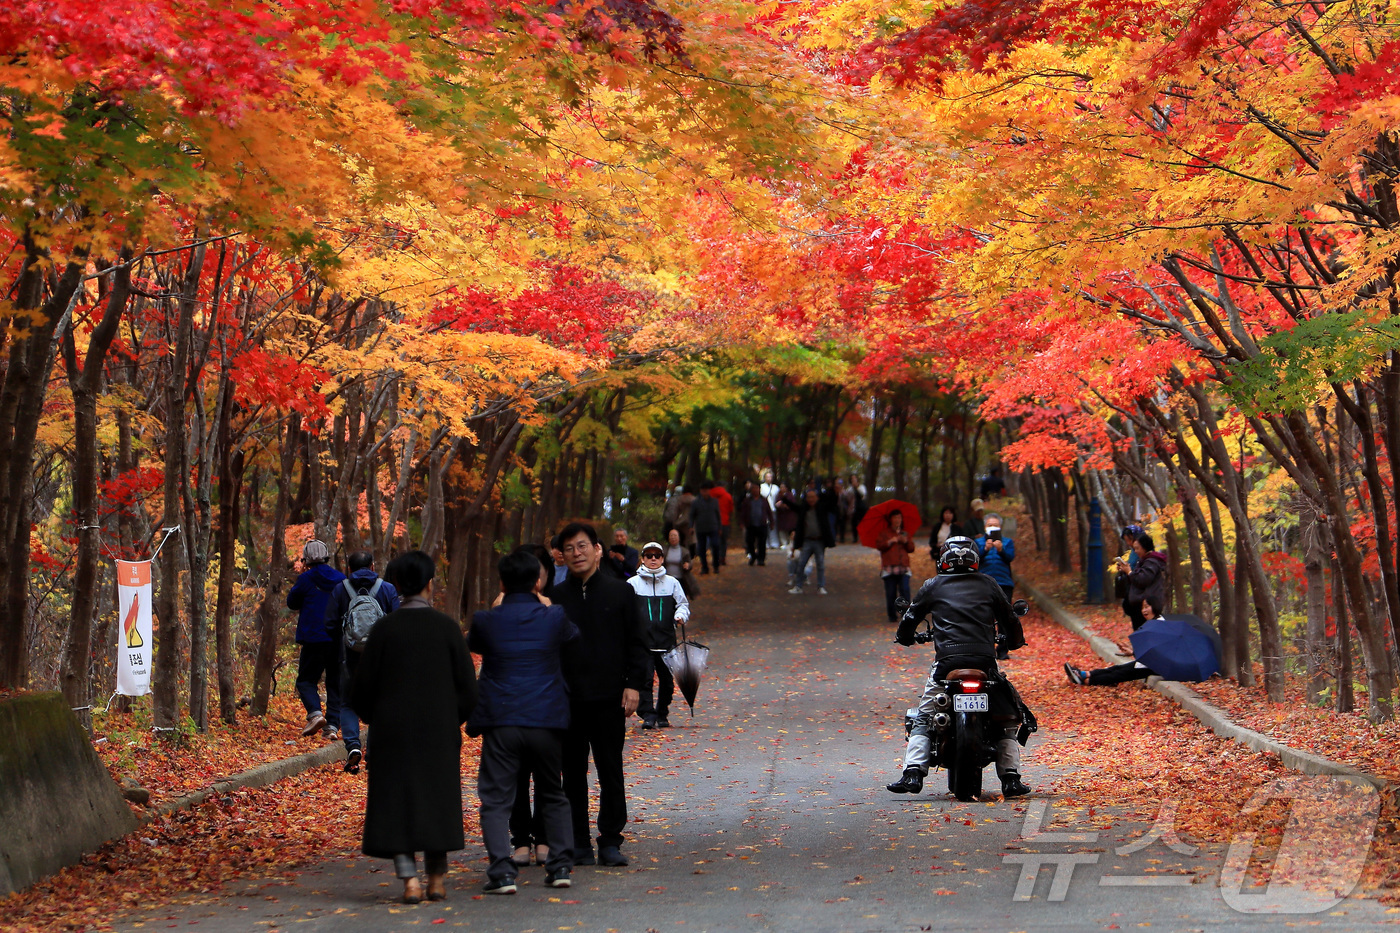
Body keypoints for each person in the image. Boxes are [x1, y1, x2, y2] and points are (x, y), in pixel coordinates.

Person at [350, 551, 478, 904]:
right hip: (438, 729)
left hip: (393, 731)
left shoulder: (383, 630)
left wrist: (376, 717)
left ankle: (409, 882)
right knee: (437, 801)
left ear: (397, 586)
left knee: (397, 804)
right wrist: (453, 717)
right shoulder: (447, 628)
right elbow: (468, 687)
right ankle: (436, 879)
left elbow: (361, 688)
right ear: (429, 583)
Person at [468, 550, 581, 894]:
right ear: (538, 581)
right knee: (553, 792)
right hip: (546, 717)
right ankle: (560, 865)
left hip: (502, 718)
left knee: (496, 797)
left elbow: (475, 644)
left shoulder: (486, 620)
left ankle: (502, 871)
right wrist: (546, 606)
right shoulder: (554, 615)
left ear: (501, 583)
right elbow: (573, 637)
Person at [886, 537, 1031, 799]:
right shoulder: (989, 584)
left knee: (924, 716)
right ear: (976, 560)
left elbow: (910, 617)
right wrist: (1015, 642)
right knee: (1004, 719)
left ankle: (913, 772)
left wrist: (906, 637)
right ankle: (1010, 778)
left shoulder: (933, 585)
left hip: (948, 663)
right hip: (984, 662)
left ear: (942, 560)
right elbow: (1010, 617)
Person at [551, 522, 651, 868]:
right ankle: (578, 842)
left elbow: (637, 643)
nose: (576, 553)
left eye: (582, 546)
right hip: (567, 700)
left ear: (597, 550)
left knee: (611, 770)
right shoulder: (555, 598)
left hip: (610, 697)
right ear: (561, 557)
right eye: (569, 549)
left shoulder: (620, 592)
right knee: (572, 773)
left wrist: (635, 684)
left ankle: (610, 839)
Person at [324, 550, 401, 774]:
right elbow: (396, 622)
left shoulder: (341, 589)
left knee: (348, 703)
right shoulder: (387, 589)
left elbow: (329, 624)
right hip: (380, 658)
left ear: (349, 568)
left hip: (349, 657)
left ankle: (353, 745)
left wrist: (342, 640)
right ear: (372, 566)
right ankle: (373, 751)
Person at [287, 540, 346, 740]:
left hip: (313, 637)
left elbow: (292, 602)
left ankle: (315, 714)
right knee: (334, 682)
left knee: (305, 680)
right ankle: (331, 727)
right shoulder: (341, 579)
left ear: (306, 559)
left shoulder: (305, 579)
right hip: (337, 638)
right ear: (326, 556)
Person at [629, 542, 691, 729]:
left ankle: (662, 713)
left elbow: (683, 604)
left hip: (666, 641)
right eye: (649, 555)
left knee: (667, 681)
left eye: (657, 555)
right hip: (643, 642)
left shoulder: (672, 582)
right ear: (643, 559)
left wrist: (680, 615)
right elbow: (624, 609)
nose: (653, 559)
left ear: (663, 559)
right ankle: (648, 715)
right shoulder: (632, 584)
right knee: (644, 680)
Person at [1065, 598, 1165, 685]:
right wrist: (1132, 651)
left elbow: (1154, 653)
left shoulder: (1159, 626)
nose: (1144, 610)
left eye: (1147, 607)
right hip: (1147, 663)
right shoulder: (1154, 623)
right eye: (1143, 607)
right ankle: (1084, 674)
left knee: (1120, 674)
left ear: (1155, 606)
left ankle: (1087, 680)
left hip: (1154, 666)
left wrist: (1133, 652)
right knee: (1117, 668)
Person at [789, 487, 835, 595]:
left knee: (820, 564)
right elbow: (794, 508)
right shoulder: (804, 510)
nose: (811, 499)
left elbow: (832, 503)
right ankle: (798, 586)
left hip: (819, 540)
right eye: (809, 497)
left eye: (813, 497)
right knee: (801, 563)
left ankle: (821, 586)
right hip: (807, 541)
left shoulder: (822, 508)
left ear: (817, 498)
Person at [1117, 533, 1168, 630]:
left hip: (1146, 605)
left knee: (1145, 633)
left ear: (1145, 548)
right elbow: (1136, 580)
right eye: (1134, 549)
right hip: (1138, 606)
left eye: (1137, 548)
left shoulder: (1151, 562)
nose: (1135, 551)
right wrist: (1126, 572)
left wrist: (1130, 572)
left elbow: (1142, 580)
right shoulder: (1143, 561)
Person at [878, 510, 916, 624]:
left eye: (899, 518)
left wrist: (905, 541)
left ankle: (906, 614)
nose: (897, 520)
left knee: (905, 589)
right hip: (889, 567)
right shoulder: (884, 533)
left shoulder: (905, 533)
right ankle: (892, 615)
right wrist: (891, 541)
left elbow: (911, 548)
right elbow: (880, 545)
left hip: (903, 566)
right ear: (891, 520)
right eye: (895, 518)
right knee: (891, 592)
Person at [975, 514, 1017, 603]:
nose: (992, 527)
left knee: (1004, 613)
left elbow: (1010, 557)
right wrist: (985, 549)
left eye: (995, 525)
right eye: (990, 525)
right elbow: (975, 559)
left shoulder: (1007, 542)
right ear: (985, 527)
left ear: (1000, 527)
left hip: (1004, 582)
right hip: (983, 584)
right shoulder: (978, 542)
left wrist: (1001, 550)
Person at [690, 482, 723, 575]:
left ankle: (716, 565)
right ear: (700, 491)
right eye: (703, 490)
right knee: (701, 548)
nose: (705, 492)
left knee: (715, 545)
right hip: (701, 528)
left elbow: (718, 515)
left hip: (713, 527)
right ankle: (705, 567)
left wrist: (720, 527)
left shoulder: (714, 501)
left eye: (707, 490)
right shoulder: (696, 502)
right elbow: (692, 515)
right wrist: (691, 526)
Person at [740, 483, 774, 566]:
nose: (755, 490)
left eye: (757, 488)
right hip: (750, 524)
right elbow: (743, 512)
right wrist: (742, 523)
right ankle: (753, 556)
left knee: (762, 543)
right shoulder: (747, 500)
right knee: (750, 542)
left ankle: (761, 559)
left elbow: (769, 512)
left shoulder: (764, 500)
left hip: (762, 524)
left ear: (759, 489)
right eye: (753, 488)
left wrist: (772, 522)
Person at [708, 483, 734, 567]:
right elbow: (730, 510)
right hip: (724, 522)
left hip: (712, 522)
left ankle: (715, 558)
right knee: (723, 541)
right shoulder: (728, 496)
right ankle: (722, 558)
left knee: (714, 541)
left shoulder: (709, 495)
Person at [774, 482, 799, 551]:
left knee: (789, 529)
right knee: (782, 530)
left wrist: (785, 505)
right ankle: (783, 543)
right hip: (781, 515)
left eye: (783, 487)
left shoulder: (790, 495)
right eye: (781, 487)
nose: (782, 488)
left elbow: (792, 504)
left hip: (789, 515)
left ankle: (790, 543)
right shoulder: (779, 495)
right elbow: (776, 504)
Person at [761, 470, 782, 549]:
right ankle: (766, 543)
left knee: (773, 526)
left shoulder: (775, 488)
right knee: (765, 526)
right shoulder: (762, 487)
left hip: (773, 509)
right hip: (765, 510)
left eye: (770, 477)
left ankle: (774, 542)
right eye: (767, 477)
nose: (769, 478)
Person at [839, 479, 857, 544]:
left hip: (844, 510)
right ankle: (841, 537)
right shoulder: (838, 492)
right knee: (841, 524)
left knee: (844, 524)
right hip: (839, 509)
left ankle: (843, 537)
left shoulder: (845, 492)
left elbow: (849, 500)